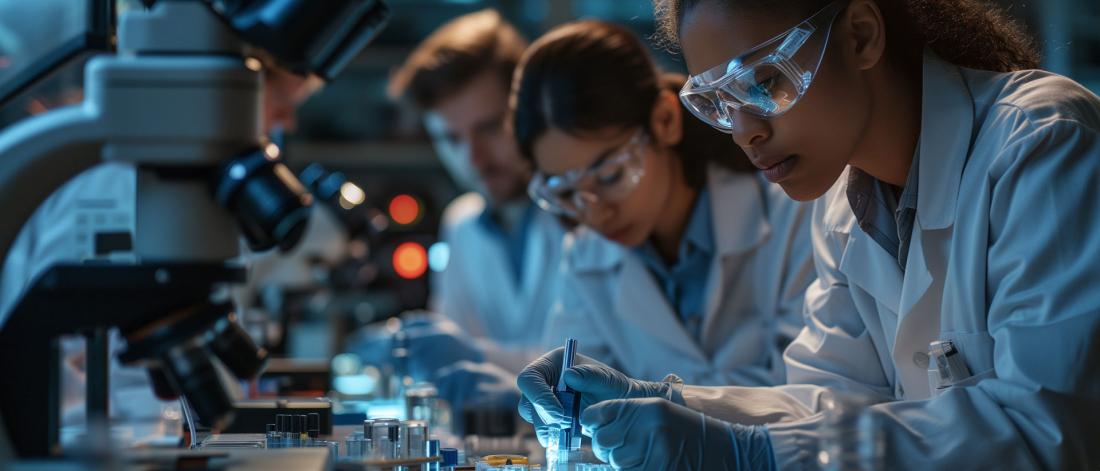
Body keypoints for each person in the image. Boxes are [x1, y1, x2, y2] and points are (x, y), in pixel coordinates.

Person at [516, 0, 1100, 468]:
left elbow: (1045, 433)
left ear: (862, 35)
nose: (744, 132)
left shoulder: (1041, 143)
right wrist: (669, 403)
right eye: (718, 103)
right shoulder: (843, 206)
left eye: (764, 82)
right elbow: (837, 404)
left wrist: (750, 456)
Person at [0, 57, 322, 426]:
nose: (288, 124)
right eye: (282, 106)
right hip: (67, 421)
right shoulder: (110, 182)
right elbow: (65, 342)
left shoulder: (140, 173)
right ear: (228, 93)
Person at [510, 20, 814, 391]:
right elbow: (578, 398)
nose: (594, 214)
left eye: (609, 177)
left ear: (665, 120)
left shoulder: (791, 214)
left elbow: (809, 389)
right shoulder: (587, 258)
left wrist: (660, 404)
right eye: (566, 194)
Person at [377, 9, 566, 387]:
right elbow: (450, 372)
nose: (473, 158)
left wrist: (473, 356)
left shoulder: (588, 213)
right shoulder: (460, 224)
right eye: (452, 139)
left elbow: (598, 365)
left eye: (490, 127)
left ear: (531, 109)